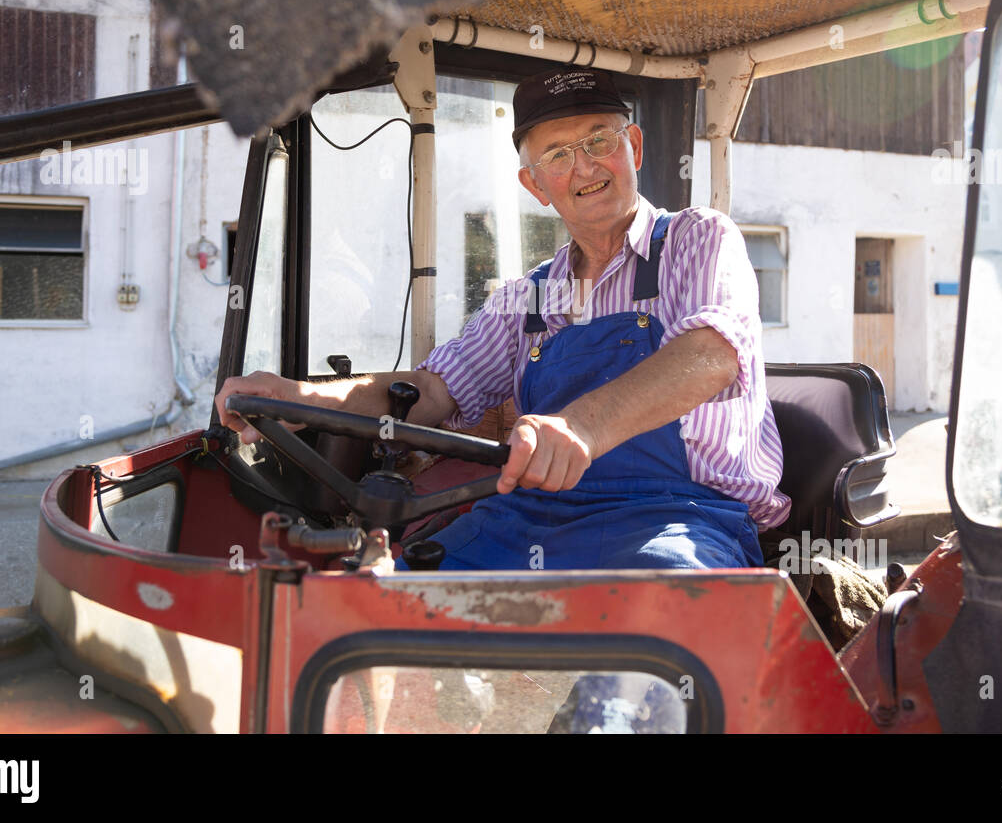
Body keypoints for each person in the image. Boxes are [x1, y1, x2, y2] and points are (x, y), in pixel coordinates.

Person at [215, 66, 789, 571]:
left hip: (677, 520)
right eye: (558, 155)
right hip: (534, 517)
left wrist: (582, 428)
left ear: (633, 148)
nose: (585, 165)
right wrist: (298, 399)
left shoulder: (697, 239)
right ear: (535, 184)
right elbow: (433, 391)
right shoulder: (526, 297)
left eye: (600, 139)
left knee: (658, 643)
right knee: (389, 606)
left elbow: (711, 355)